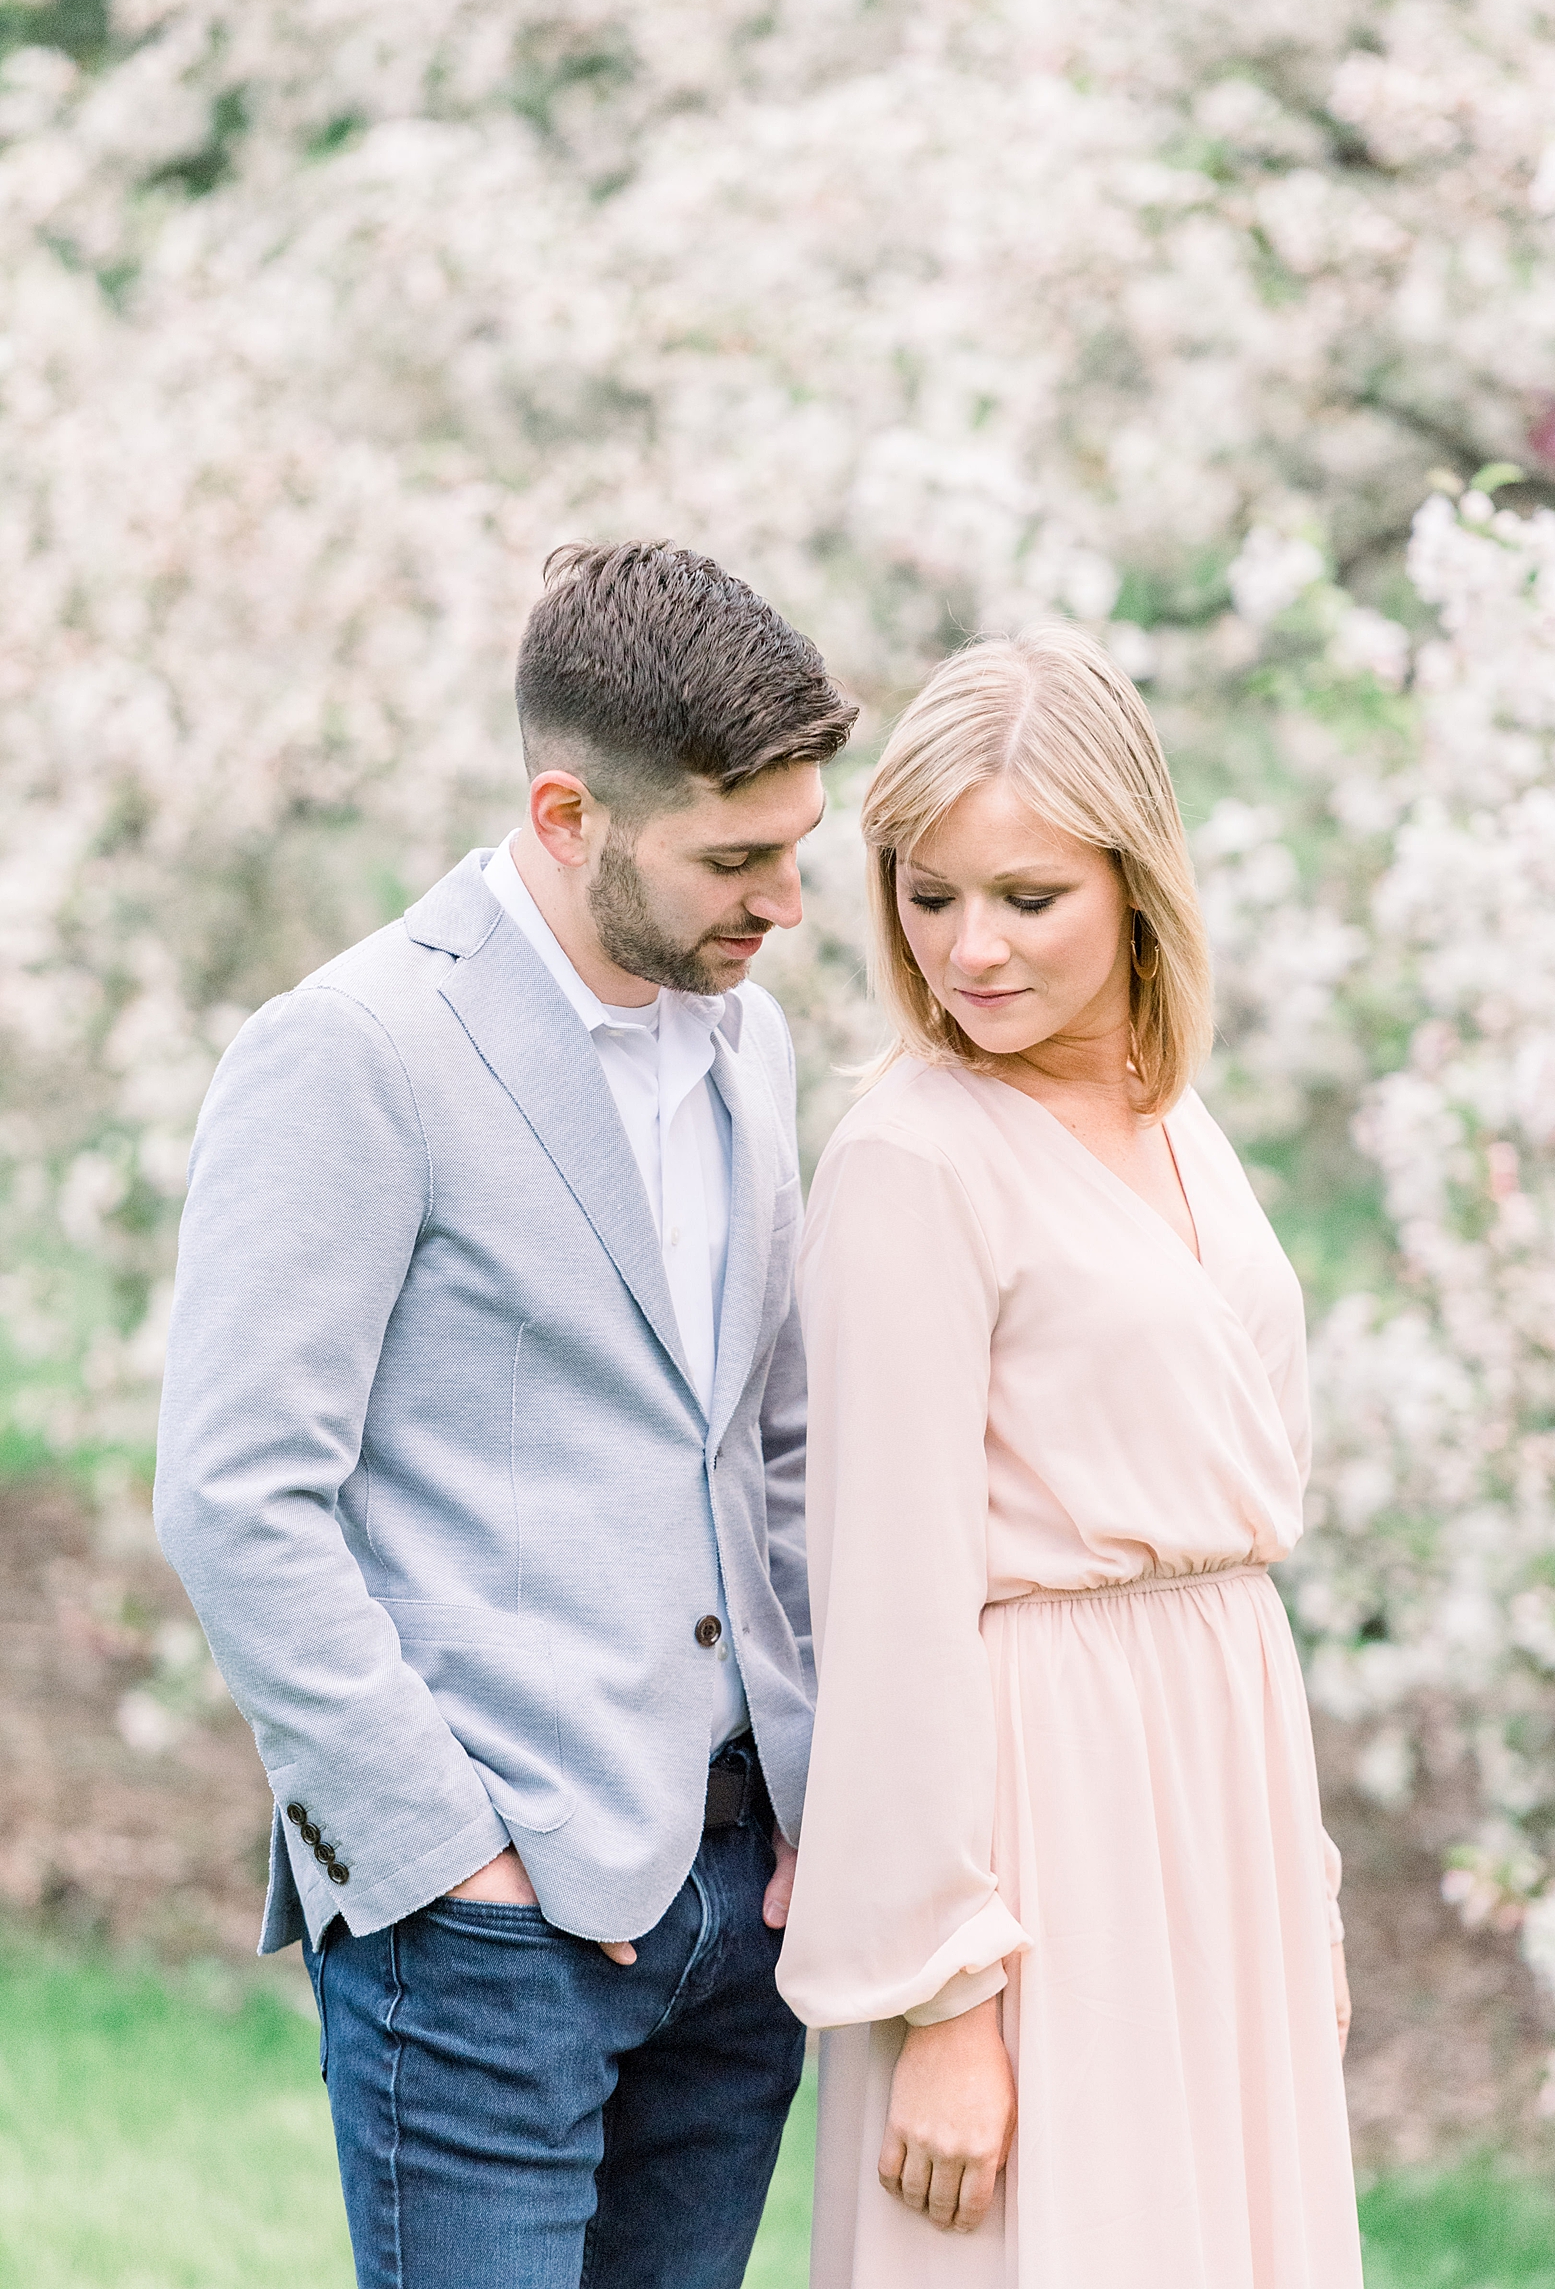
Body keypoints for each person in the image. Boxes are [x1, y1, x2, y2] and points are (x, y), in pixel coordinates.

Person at [154, 541, 857, 2289]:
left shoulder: (746, 1042)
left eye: (795, 849)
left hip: (736, 1904)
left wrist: (809, 1782)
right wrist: (442, 1858)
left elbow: (762, 1444)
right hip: (486, 1934)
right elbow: (239, 1497)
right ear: (565, 813)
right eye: (735, 859)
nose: (785, 903)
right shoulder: (351, 1052)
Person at [776, 627, 1361, 2287]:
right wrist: (946, 1998)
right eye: (926, 893)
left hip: (1218, 1784)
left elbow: (1236, 1552)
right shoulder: (907, 1159)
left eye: (1026, 898)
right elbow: (881, 1606)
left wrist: (1293, 1886)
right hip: (1040, 1820)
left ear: (1133, 881)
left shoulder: (1183, 1128)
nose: (968, 949)